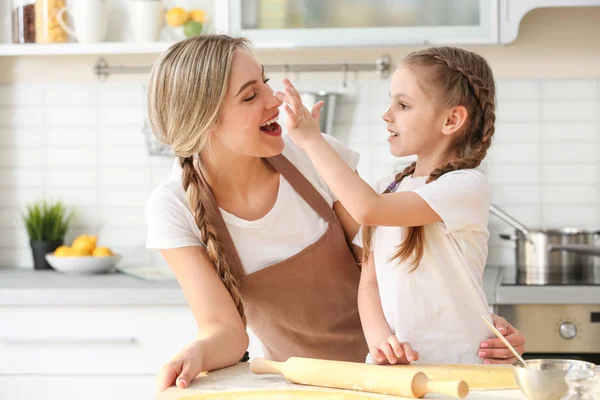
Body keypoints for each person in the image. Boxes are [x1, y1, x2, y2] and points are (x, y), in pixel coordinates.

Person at [144, 35, 526, 391]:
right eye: (250, 96)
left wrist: (470, 325)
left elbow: (396, 268)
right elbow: (224, 330)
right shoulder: (174, 207)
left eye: (265, 82)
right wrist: (195, 352)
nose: (274, 100)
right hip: (305, 383)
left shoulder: (316, 159)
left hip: (400, 372)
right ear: (206, 121)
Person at [277, 46, 506, 365]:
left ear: (451, 120)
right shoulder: (388, 186)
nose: (387, 115)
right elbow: (370, 283)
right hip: (397, 371)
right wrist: (380, 342)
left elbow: (367, 209)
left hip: (461, 367)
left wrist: (312, 141)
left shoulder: (466, 186)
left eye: (403, 105)